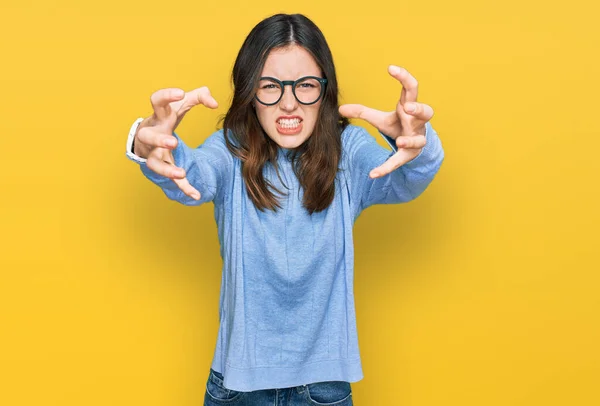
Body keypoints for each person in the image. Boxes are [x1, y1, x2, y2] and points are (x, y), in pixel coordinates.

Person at [125, 13, 444, 406]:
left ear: (324, 90)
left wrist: (419, 145)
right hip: (236, 387)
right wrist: (149, 146)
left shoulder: (350, 151)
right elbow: (191, 176)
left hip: (324, 388)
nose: (289, 102)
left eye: (305, 85)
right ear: (250, 93)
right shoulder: (230, 150)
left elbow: (406, 179)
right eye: (271, 86)